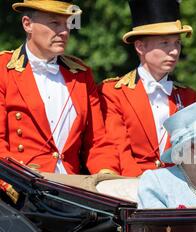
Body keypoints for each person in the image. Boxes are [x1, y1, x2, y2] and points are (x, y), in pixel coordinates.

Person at [0, 1, 120, 202]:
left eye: (68, 24)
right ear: (27, 24)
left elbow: (98, 141)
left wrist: (108, 180)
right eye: (55, 23)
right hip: (20, 191)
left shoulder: (81, 74)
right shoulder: (4, 69)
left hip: (72, 191)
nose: (64, 31)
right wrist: (15, 182)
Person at [99, 0, 196, 177]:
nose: (174, 51)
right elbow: (119, 150)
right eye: (165, 43)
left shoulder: (188, 96)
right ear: (140, 47)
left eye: (177, 43)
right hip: (132, 189)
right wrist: (142, 186)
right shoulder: (113, 92)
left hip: (180, 191)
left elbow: (194, 154)